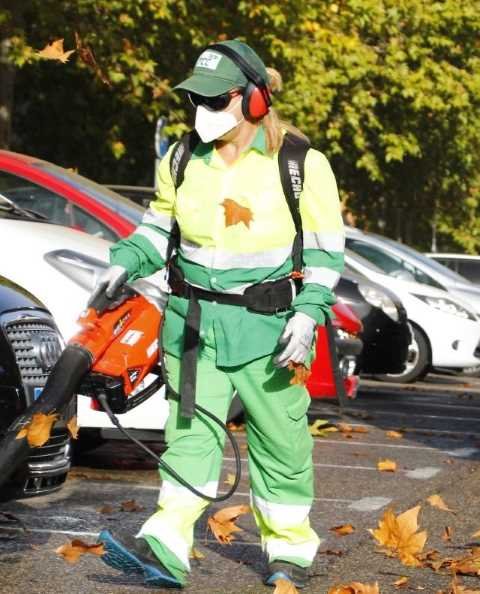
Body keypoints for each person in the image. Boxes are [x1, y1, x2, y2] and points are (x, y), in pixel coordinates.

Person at [91, 39, 345, 590]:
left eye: (216, 100)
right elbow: (159, 227)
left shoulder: (301, 164)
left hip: (271, 329)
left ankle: (289, 552)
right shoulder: (182, 160)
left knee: (282, 443)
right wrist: (123, 262)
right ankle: (165, 547)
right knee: (189, 436)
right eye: (196, 101)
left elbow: (326, 253)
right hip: (193, 325)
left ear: (254, 99)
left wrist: (308, 315)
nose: (203, 113)